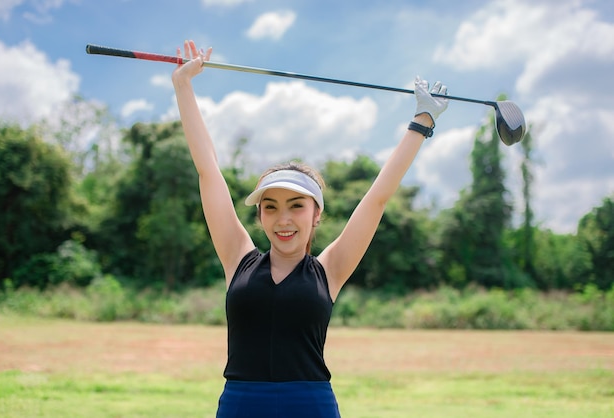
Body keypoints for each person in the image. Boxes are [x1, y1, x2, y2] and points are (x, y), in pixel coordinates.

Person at [172, 40, 448, 418]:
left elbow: (377, 199)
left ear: (316, 214)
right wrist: (183, 86)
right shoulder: (238, 257)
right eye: (270, 207)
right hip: (240, 403)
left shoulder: (329, 269)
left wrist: (422, 123)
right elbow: (208, 170)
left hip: (310, 405)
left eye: (296, 206)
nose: (283, 219)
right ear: (260, 216)